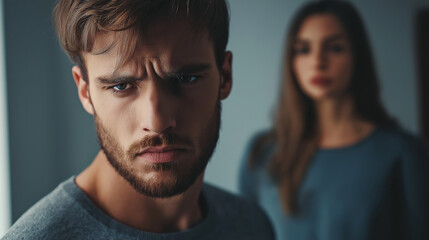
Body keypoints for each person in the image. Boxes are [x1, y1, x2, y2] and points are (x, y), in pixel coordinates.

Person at [2, 0, 275, 239]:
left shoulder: (250, 225)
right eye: (121, 86)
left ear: (225, 76)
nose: (157, 122)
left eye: (185, 78)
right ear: (85, 92)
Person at [239, 1, 429, 240]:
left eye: (335, 48)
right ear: (291, 60)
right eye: (304, 49)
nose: (318, 61)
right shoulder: (262, 153)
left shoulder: (402, 152)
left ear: (357, 55)